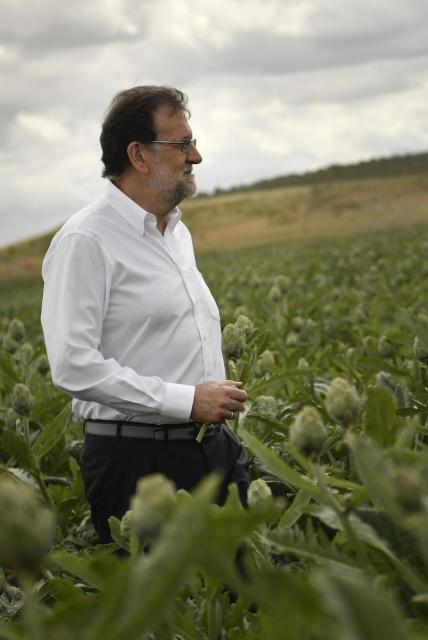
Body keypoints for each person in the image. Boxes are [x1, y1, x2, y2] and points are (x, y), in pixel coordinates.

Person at [40, 86, 250, 544]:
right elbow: (73, 364)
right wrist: (187, 401)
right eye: (182, 144)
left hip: (212, 451)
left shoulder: (175, 232)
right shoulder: (85, 241)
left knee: (242, 582)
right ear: (138, 155)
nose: (196, 156)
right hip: (137, 463)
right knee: (162, 590)